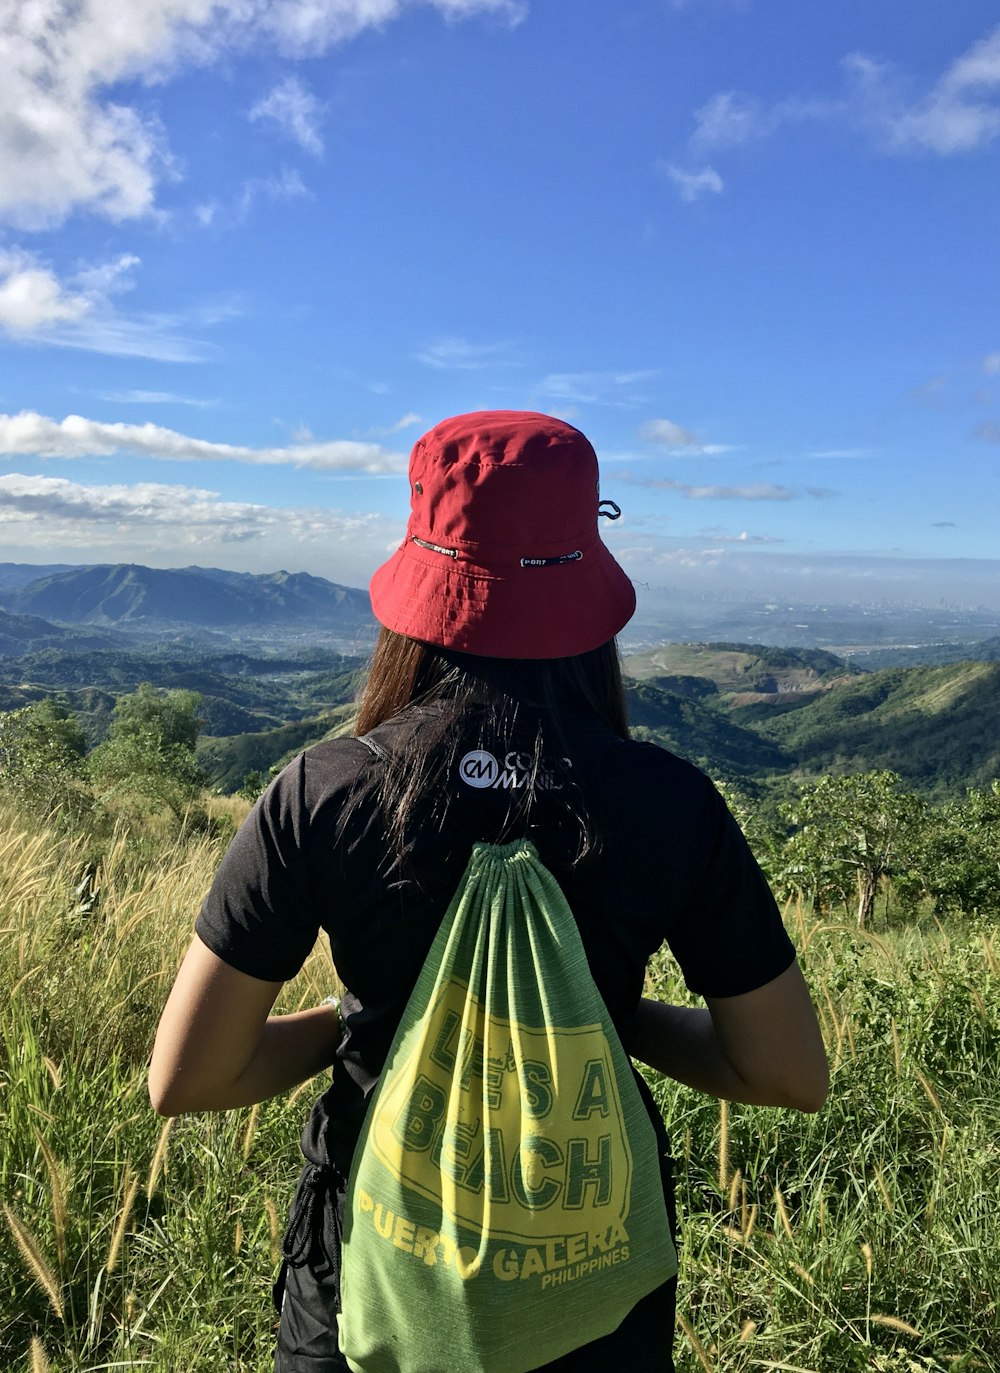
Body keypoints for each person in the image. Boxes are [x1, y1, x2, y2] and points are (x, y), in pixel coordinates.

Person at [149, 410, 829, 1372]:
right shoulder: (670, 802)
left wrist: (344, 1023)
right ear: (586, 571)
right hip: (593, 1304)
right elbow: (787, 1073)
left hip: (366, 1284)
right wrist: (605, 1017)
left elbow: (188, 1078)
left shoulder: (326, 790)